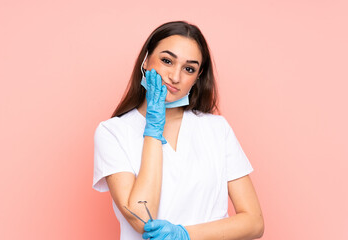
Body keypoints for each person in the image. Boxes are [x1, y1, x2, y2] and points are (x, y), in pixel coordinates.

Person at [92, 20, 264, 240]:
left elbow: (254, 222)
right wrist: (153, 131)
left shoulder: (216, 129)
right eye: (167, 61)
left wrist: (185, 235)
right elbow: (141, 216)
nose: (175, 77)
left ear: (198, 76)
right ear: (145, 61)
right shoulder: (112, 133)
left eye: (189, 69)